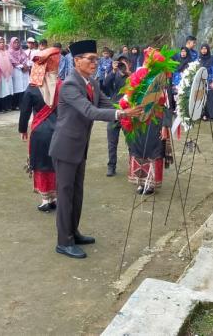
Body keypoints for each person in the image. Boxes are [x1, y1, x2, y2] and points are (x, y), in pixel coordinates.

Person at [48, 39, 142, 259]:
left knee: (77, 193)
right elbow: (89, 111)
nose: (95, 63)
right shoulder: (70, 84)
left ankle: (73, 232)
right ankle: (63, 241)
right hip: (65, 147)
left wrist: (125, 109)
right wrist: (121, 115)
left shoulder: (92, 82)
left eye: (96, 59)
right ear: (77, 61)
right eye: (90, 59)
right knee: (65, 195)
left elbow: (106, 104)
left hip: (80, 146)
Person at [18, 65, 61, 212]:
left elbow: (24, 111)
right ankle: (55, 197)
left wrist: (22, 129)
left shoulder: (32, 88)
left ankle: (45, 200)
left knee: (41, 165)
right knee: (55, 163)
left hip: (40, 131)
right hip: (58, 130)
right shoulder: (59, 86)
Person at [104, 56, 132, 177]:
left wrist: (129, 74)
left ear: (129, 64)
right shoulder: (113, 75)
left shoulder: (133, 76)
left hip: (128, 112)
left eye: (124, 63)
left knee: (131, 141)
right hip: (114, 112)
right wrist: (113, 71)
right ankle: (111, 166)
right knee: (112, 142)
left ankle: (133, 166)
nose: (122, 66)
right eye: (120, 63)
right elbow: (105, 85)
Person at [9, 37, 29, 110]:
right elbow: (13, 61)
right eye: (15, 43)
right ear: (11, 43)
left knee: (23, 88)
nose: (17, 44)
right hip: (15, 72)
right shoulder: (10, 52)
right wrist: (22, 66)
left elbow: (26, 59)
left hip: (24, 72)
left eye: (18, 43)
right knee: (16, 88)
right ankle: (15, 105)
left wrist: (25, 66)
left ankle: (22, 104)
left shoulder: (22, 51)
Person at [198, 44, 213, 120]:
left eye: (205, 49)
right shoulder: (198, 59)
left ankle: (205, 115)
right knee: (199, 97)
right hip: (199, 81)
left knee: (206, 98)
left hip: (207, 80)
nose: (204, 50)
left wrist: (212, 81)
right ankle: (199, 114)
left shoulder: (211, 59)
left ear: (208, 50)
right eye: (202, 49)